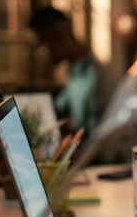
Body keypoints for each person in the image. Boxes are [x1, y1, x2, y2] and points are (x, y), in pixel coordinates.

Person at [30, 7, 107, 135]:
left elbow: (91, 138)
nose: (41, 54)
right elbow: (59, 105)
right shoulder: (74, 72)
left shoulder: (90, 78)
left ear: (58, 37)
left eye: (43, 44)